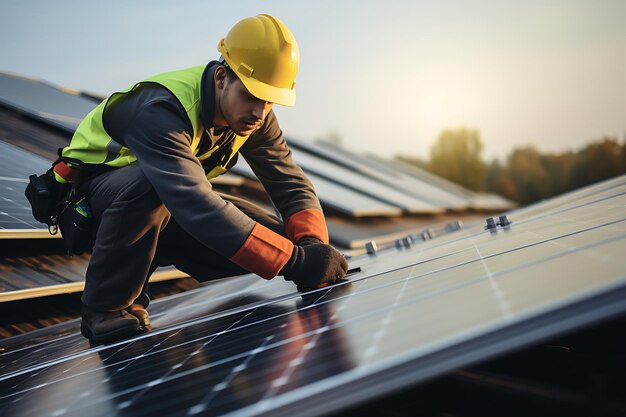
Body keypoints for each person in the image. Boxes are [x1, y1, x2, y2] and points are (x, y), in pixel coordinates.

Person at [51, 14, 349, 344]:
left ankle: (150, 267)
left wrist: (311, 248)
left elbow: (290, 182)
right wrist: (294, 263)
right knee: (156, 189)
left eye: (270, 100)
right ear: (222, 78)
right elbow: (192, 200)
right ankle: (105, 309)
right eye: (252, 95)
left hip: (165, 204)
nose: (260, 111)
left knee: (279, 240)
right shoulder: (162, 110)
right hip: (94, 206)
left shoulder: (254, 116)